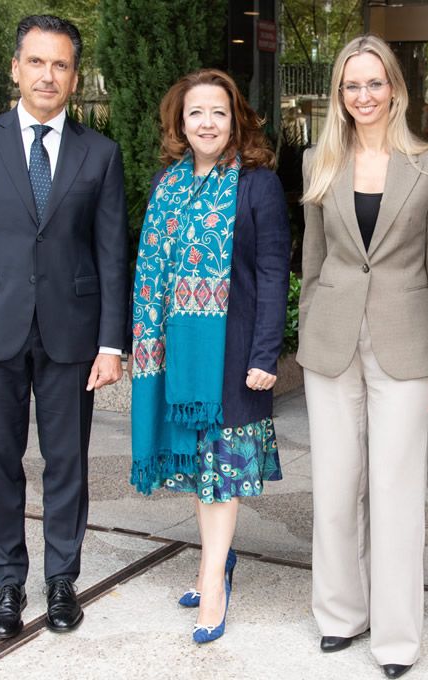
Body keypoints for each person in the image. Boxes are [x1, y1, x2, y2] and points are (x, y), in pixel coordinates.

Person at [0, 15, 127, 639]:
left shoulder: (100, 152)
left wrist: (112, 341)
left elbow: (111, 252)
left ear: (74, 76)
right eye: (37, 62)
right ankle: (7, 584)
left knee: (67, 460)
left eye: (61, 64)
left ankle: (62, 579)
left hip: (72, 331)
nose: (48, 75)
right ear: (16, 69)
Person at [299, 35, 428, 680]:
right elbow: (313, 261)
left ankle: (397, 638)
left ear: (395, 88)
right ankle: (340, 614)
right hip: (331, 343)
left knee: (397, 495)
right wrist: (308, 327)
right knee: (336, 490)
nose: (363, 96)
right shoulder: (320, 159)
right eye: (351, 85)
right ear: (338, 94)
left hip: (407, 342)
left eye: (374, 83)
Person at [128, 69, 289, 645]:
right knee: (201, 472)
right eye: (196, 113)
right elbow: (153, 273)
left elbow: (273, 274)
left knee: (218, 472)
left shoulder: (257, 185)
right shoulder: (165, 184)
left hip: (234, 354)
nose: (207, 123)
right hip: (177, 356)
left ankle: (212, 581)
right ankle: (217, 561)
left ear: (236, 119)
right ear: (180, 122)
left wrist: (267, 352)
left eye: (218, 112)